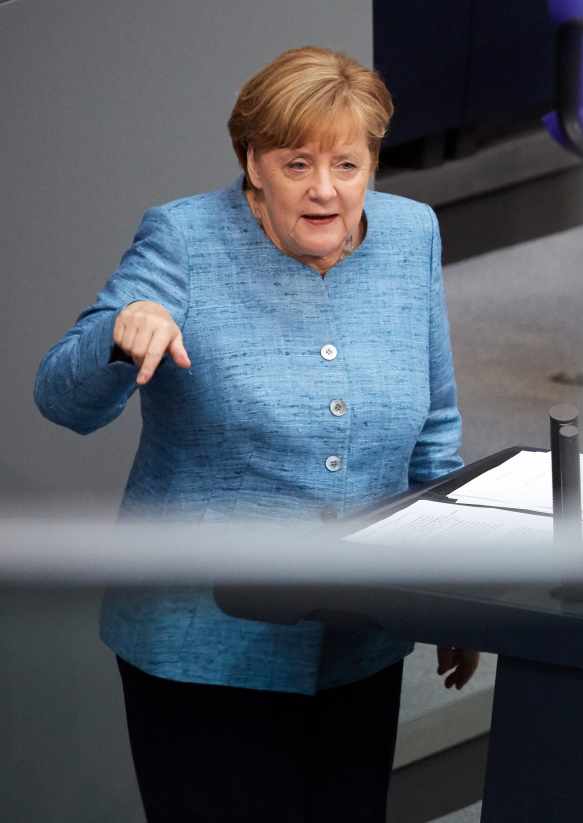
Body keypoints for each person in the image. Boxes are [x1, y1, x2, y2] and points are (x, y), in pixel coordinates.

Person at [34, 47, 477, 821]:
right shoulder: (182, 239)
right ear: (253, 162)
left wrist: (456, 593)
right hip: (201, 652)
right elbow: (60, 396)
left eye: (347, 162)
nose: (325, 188)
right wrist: (119, 332)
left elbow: (435, 427)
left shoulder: (412, 237)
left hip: (359, 641)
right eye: (296, 162)